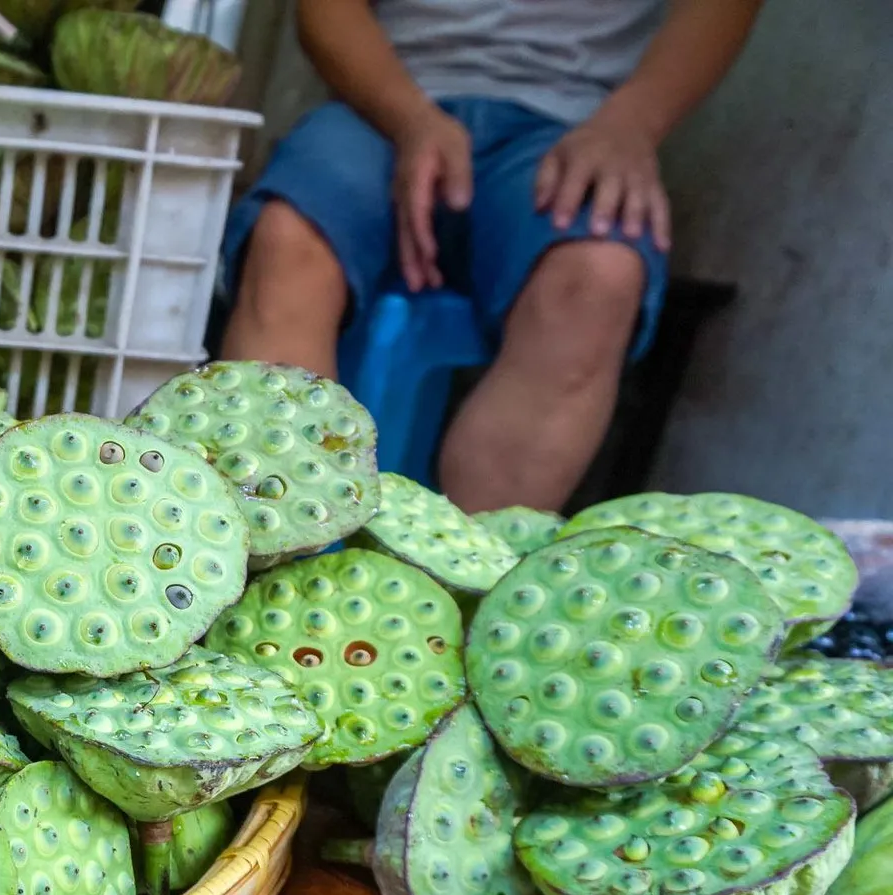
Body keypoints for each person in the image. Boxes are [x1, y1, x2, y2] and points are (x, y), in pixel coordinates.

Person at [216, 0, 763, 512]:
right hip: (380, 99)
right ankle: (271, 553)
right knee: (289, 238)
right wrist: (412, 121)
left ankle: (471, 581)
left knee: (599, 276)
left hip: (574, 124)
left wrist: (632, 124)